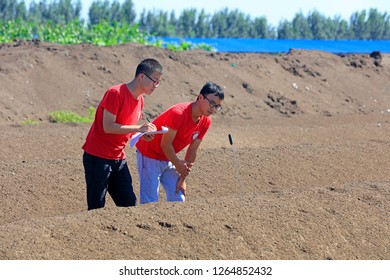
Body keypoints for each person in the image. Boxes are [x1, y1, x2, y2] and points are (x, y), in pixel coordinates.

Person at [82, 58, 163, 210]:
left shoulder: (140, 101)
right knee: (96, 207)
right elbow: (108, 127)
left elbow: (125, 129)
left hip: (118, 158)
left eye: (158, 82)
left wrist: (141, 135)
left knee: (129, 205)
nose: (156, 86)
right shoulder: (116, 93)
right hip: (98, 157)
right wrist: (139, 128)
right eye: (155, 81)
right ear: (142, 77)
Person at [135, 82, 224, 204]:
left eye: (217, 106)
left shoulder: (206, 121)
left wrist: (182, 178)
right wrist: (177, 164)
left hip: (168, 158)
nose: (213, 109)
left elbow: (193, 150)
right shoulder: (178, 113)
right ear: (200, 97)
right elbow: (165, 144)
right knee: (150, 202)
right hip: (150, 154)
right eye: (212, 103)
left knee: (178, 197)